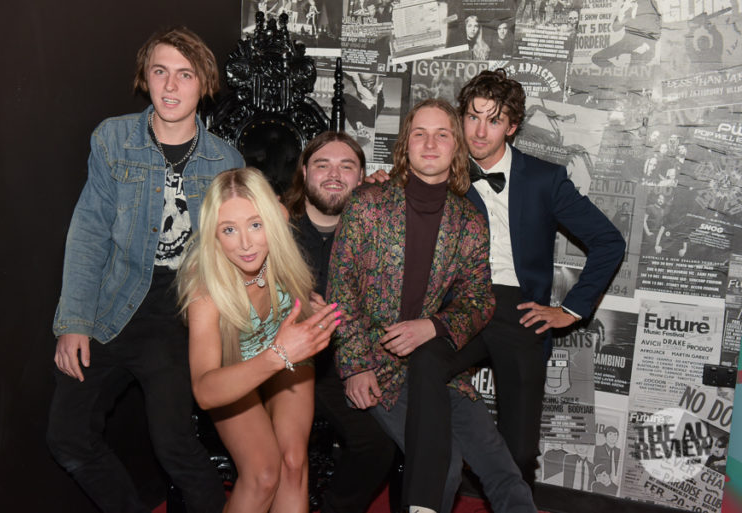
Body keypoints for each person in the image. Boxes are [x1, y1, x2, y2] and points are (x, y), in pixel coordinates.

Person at [47, 27, 245, 513]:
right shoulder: (113, 139)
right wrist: (74, 321)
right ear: (145, 78)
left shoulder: (225, 160)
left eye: (185, 74)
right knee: (68, 436)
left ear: (204, 84)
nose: (171, 86)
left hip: (181, 312)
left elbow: (239, 249)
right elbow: (89, 232)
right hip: (113, 302)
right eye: (160, 72)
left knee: (175, 447)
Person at [404, 69, 625, 492]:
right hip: (459, 306)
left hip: (520, 310)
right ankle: (423, 490)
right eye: (472, 117)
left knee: (520, 451)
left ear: (512, 126)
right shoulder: (442, 169)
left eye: (493, 120)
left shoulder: (544, 179)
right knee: (422, 366)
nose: (479, 131)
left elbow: (608, 241)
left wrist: (570, 310)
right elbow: (400, 188)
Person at [328, 98, 536, 513]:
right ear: (405, 144)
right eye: (419, 134)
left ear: (456, 146)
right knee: (445, 468)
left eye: (442, 134)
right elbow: (340, 289)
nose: (429, 143)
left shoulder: (468, 221)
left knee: (502, 468)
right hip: (377, 365)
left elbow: (479, 299)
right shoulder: (367, 205)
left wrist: (434, 327)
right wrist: (355, 366)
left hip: (436, 369)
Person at [178, 167, 339, 513]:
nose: (246, 243)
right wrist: (278, 354)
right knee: (264, 474)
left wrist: (307, 307)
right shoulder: (205, 289)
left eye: (255, 224)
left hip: (287, 348)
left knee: (293, 462)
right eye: (228, 230)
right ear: (213, 234)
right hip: (239, 368)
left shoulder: (277, 219)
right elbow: (204, 391)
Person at [283, 132, 397, 513]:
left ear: (361, 176)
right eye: (322, 165)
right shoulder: (277, 227)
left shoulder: (374, 229)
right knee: (281, 458)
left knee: (377, 445)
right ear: (304, 172)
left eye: (346, 167)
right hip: (282, 365)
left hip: (341, 365)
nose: (334, 175)